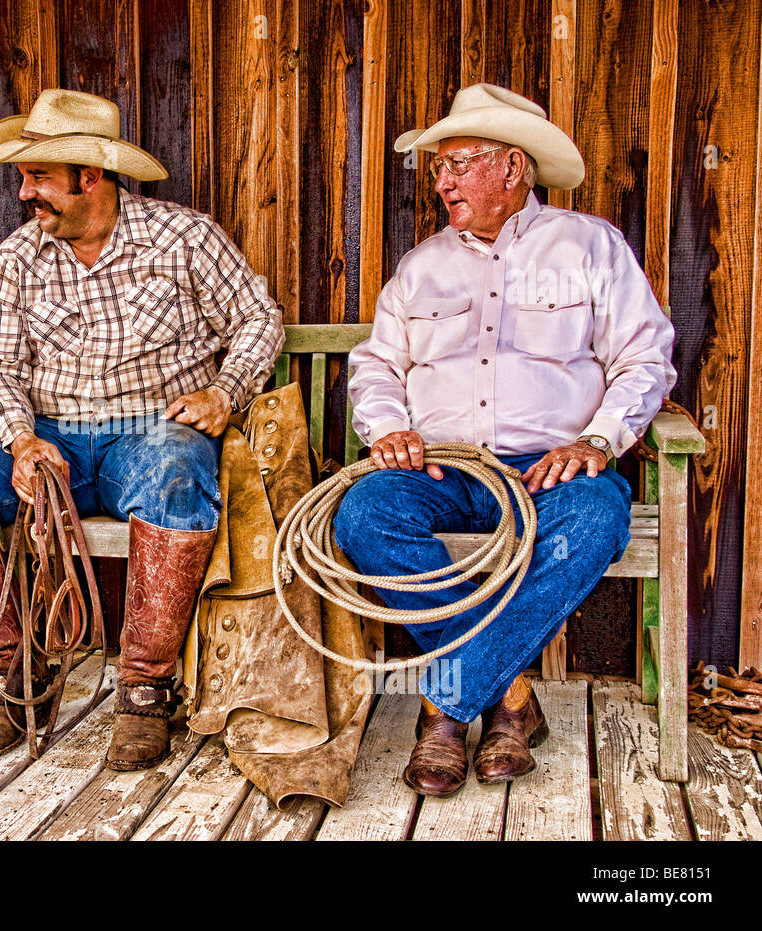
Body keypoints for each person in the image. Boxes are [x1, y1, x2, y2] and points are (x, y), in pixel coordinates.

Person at [0, 89, 284, 770]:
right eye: (23, 177)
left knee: (176, 470)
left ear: (91, 177)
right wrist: (19, 438)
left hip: (151, 430)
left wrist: (226, 393)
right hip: (48, 433)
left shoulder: (184, 237)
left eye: (39, 177)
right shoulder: (18, 260)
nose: (24, 194)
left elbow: (260, 319)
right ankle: (17, 674)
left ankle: (143, 689)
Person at [335, 84, 676, 797]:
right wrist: (388, 425)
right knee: (364, 514)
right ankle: (510, 695)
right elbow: (375, 365)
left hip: (548, 471)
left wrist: (599, 438)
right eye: (438, 168)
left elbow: (645, 356)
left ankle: (446, 706)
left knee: (598, 516)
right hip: (444, 468)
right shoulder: (422, 265)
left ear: (513, 167)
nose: (442, 180)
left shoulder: (590, 247)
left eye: (458, 163)